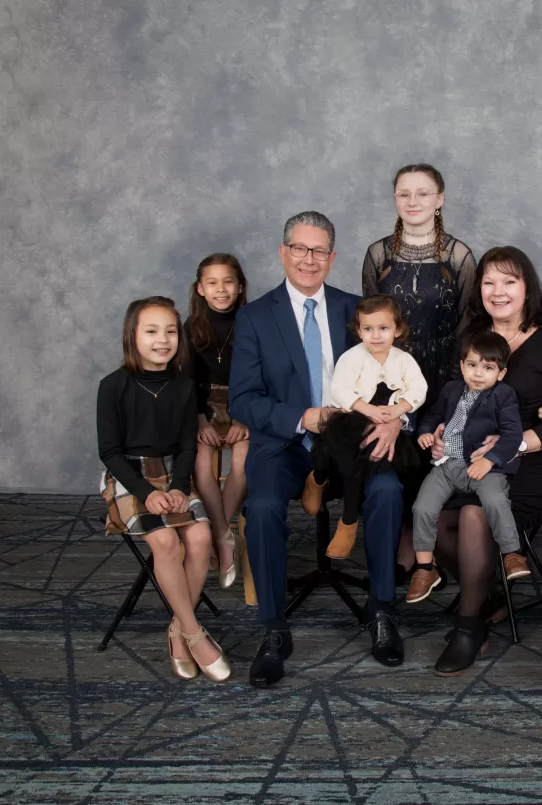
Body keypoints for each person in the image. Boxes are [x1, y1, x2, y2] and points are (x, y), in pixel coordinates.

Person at [229, 211, 406, 687]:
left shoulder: (356, 311)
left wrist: (397, 418)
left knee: (388, 491)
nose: (309, 259)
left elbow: (395, 373)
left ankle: (382, 611)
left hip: (352, 440)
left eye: (319, 251)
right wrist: (301, 417)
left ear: (332, 257)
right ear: (283, 252)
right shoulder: (255, 317)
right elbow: (242, 399)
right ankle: (274, 629)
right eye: (300, 249)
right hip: (285, 443)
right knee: (262, 507)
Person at [429, 246, 542, 676]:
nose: (498, 291)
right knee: (432, 520)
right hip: (480, 460)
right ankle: (492, 592)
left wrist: (515, 444)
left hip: (541, 462)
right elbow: (455, 401)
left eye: (509, 281)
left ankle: (469, 627)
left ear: (527, 288)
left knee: (475, 515)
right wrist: (443, 433)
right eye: (489, 282)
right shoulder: (472, 341)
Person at [97, 296, 231, 683]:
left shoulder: (184, 386)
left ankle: (176, 630)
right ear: (132, 336)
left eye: (171, 331)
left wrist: (177, 487)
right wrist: (147, 492)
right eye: (152, 331)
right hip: (129, 476)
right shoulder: (113, 386)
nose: (163, 340)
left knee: (201, 536)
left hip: (173, 473)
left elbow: (188, 447)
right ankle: (194, 633)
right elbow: (110, 453)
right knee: (167, 542)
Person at [362, 163, 478, 579]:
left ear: (439, 200)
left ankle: (433, 551)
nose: (413, 201)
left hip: (444, 375)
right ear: (395, 199)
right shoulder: (378, 255)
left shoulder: (459, 256)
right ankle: (401, 548)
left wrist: (456, 388)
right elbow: (370, 324)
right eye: (404, 193)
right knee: (397, 464)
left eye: (423, 193)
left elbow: (468, 323)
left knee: (435, 462)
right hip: (390, 381)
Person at [301, 294, 427, 559]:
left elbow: (419, 388)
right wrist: (367, 409)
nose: (376, 335)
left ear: (397, 330)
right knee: (342, 447)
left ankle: (348, 521)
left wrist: (398, 409)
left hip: (386, 424)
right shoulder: (352, 357)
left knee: (380, 460)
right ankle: (318, 479)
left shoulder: (404, 360)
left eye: (384, 328)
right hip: (353, 418)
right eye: (368, 329)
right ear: (359, 331)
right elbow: (339, 389)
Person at [409, 331, 528, 604]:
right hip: (446, 465)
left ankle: (511, 554)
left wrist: (490, 459)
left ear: (501, 373)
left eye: (488, 368)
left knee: (495, 499)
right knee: (422, 507)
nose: (478, 373)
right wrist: (425, 433)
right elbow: (433, 417)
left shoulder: (503, 395)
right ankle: (425, 569)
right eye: (472, 365)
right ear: (462, 366)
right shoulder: (452, 390)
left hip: (483, 466)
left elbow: (513, 435)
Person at [184, 253, 249, 589]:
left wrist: (243, 418)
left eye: (228, 282)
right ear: (200, 288)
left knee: (243, 460)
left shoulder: (252, 321)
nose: (221, 289)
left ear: (240, 287)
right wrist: (200, 421)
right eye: (212, 283)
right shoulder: (191, 327)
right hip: (203, 405)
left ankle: (214, 533)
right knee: (200, 463)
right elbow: (186, 381)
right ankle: (224, 535)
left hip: (244, 403)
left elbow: (259, 374)